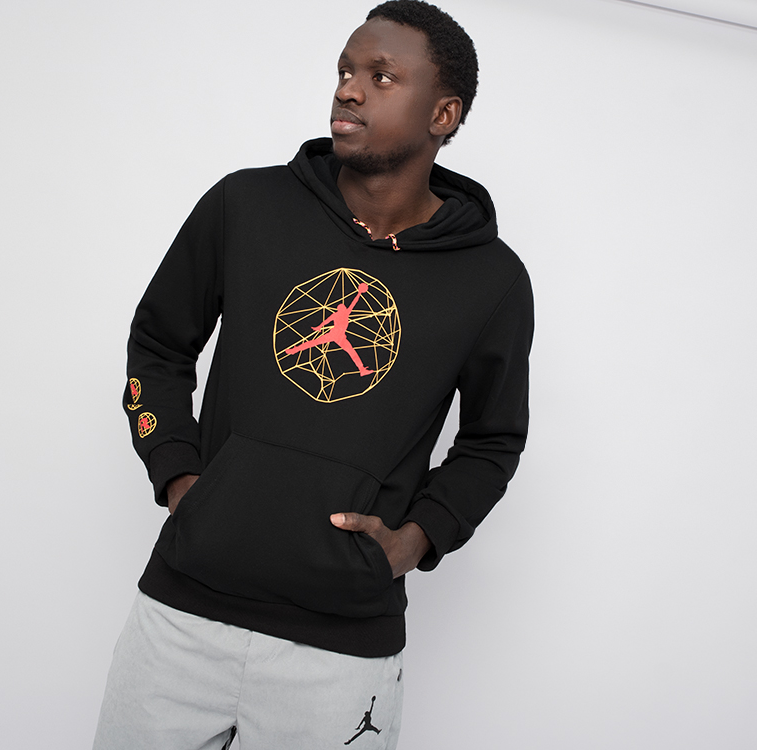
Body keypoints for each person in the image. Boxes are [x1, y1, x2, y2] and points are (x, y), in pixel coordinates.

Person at [93, 1, 533, 748]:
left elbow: (493, 443)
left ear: (444, 113)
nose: (349, 89)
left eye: (382, 76)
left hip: (342, 652)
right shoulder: (245, 205)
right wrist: (179, 477)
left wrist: (417, 539)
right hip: (181, 619)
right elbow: (157, 347)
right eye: (346, 70)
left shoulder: (491, 281)